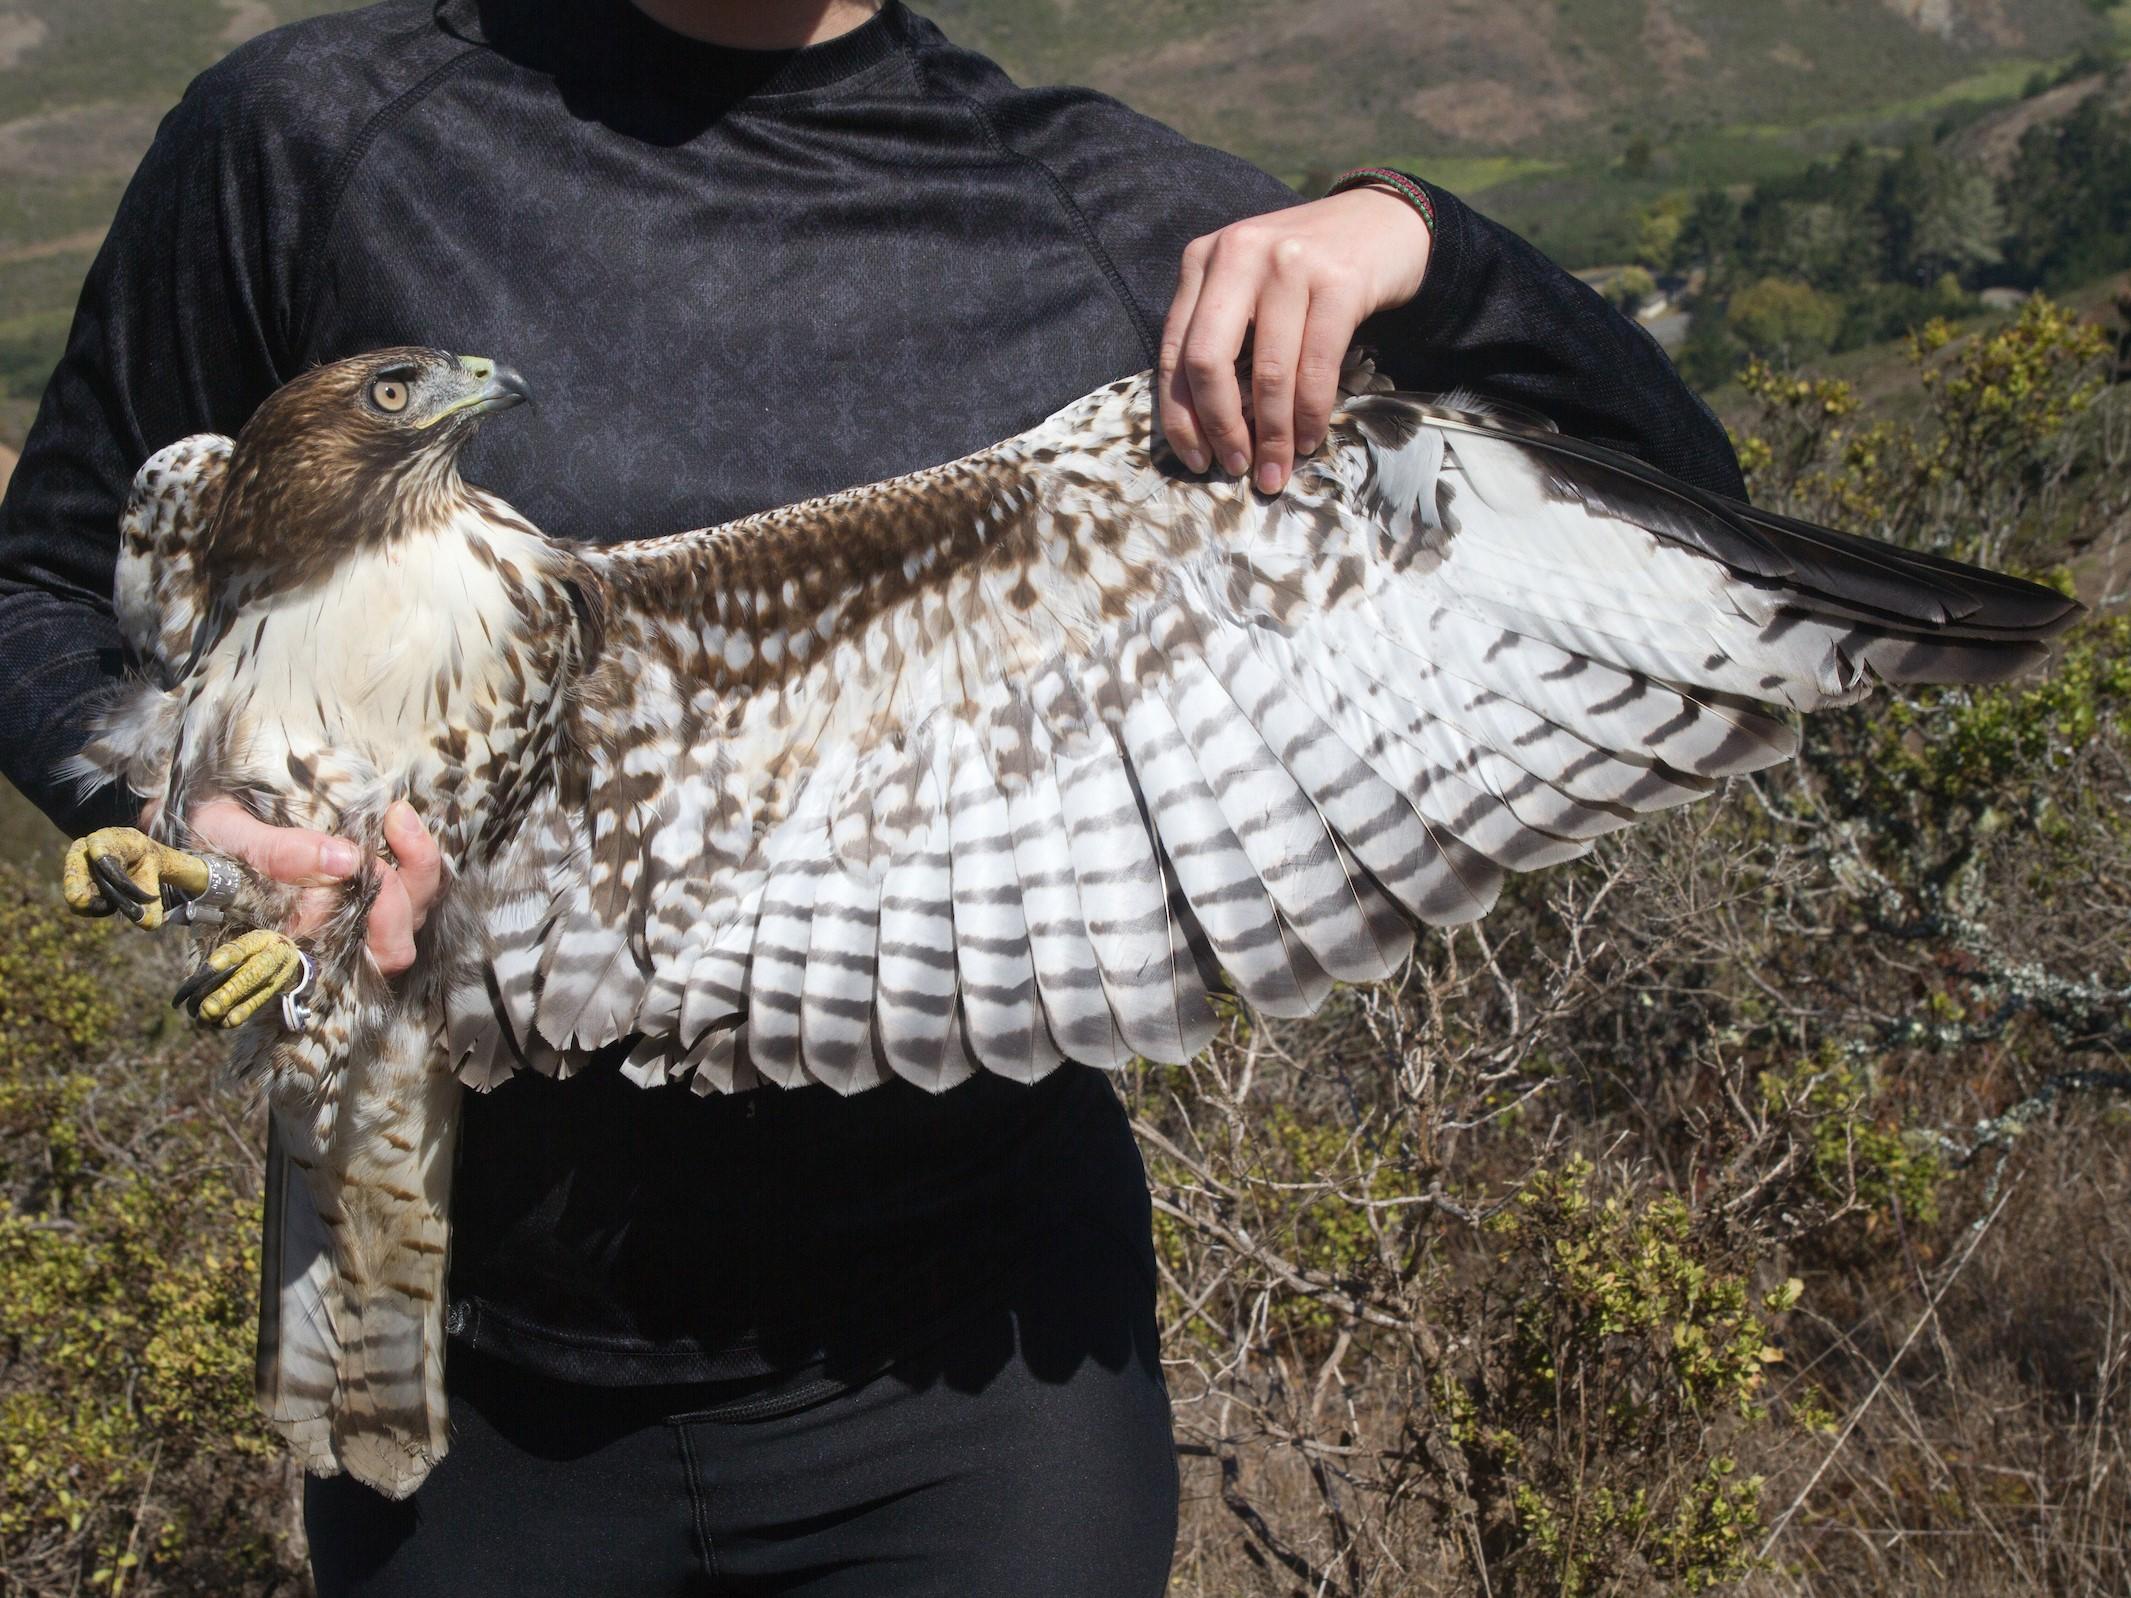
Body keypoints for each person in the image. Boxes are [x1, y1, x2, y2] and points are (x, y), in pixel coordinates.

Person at [0, 0, 1744, 1591]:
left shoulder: (1094, 221)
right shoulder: (322, 137)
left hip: (970, 1393)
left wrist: (1415, 242)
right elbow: (53, 580)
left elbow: (1679, 515)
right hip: (463, 1371)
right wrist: (171, 803)